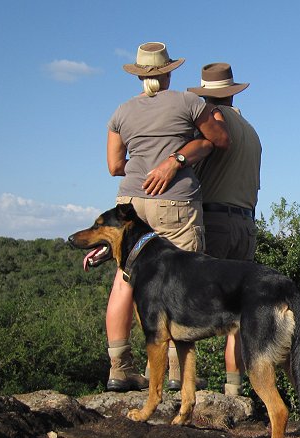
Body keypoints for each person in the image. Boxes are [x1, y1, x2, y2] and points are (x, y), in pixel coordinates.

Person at [103, 42, 229, 392]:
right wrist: (178, 158)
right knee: (181, 280)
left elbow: (114, 165)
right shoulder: (188, 103)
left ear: (140, 74)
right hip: (174, 201)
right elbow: (220, 139)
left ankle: (119, 368)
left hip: (129, 202)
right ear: (169, 71)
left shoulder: (121, 113)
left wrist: (142, 168)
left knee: (124, 280)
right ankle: (176, 373)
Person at [187, 62, 262, 397]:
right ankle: (234, 391)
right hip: (245, 224)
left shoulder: (210, 125)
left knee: (189, 301)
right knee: (238, 313)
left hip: (214, 219)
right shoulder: (251, 131)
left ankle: (181, 383)